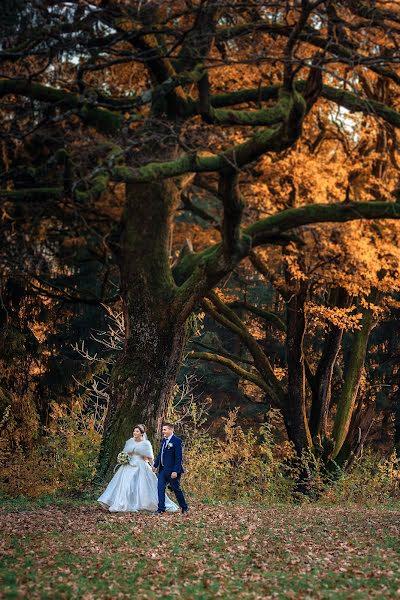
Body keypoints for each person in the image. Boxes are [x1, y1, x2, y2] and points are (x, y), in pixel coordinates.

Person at [97, 424, 178, 513]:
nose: (135, 433)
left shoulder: (146, 444)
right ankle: (122, 503)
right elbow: (126, 453)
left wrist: (153, 467)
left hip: (140, 466)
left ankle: (141, 503)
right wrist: (123, 458)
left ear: (142, 433)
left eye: (137, 431)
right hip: (128, 466)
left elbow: (150, 457)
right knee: (126, 485)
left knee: (141, 485)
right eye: (134, 431)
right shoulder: (130, 442)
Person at [153, 422, 189, 514]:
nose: (163, 431)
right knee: (160, 488)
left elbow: (178, 458)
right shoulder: (163, 441)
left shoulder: (177, 441)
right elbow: (160, 455)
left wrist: (175, 471)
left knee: (176, 489)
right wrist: (155, 465)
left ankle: (184, 507)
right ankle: (161, 509)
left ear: (171, 430)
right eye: (163, 429)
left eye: (165, 429)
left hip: (172, 471)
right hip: (162, 470)